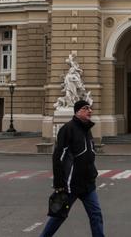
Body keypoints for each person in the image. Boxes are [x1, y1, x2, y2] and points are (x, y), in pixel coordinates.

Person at [40, 100, 103, 237]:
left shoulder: (87, 130)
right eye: (86, 108)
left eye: (90, 108)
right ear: (78, 111)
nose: (90, 111)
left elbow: (89, 154)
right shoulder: (67, 129)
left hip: (88, 184)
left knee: (96, 215)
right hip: (71, 185)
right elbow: (58, 157)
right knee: (59, 216)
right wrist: (59, 184)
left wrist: (93, 173)